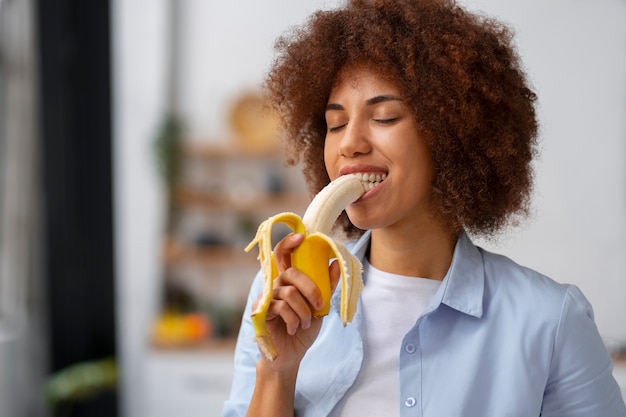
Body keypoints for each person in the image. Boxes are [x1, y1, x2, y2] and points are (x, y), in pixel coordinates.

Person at [222, 0, 626, 416]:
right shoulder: (282, 297)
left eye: (384, 117)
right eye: (336, 123)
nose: (349, 143)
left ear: (449, 133)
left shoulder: (550, 322)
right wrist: (277, 371)